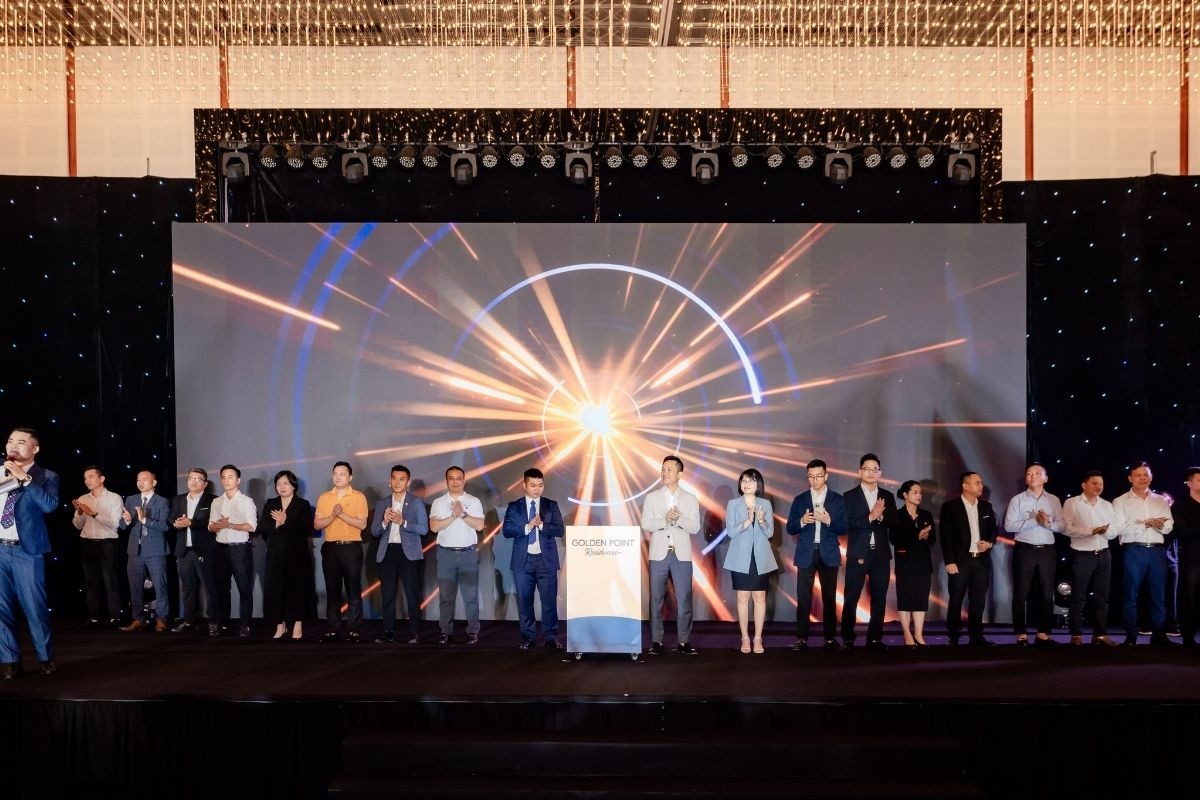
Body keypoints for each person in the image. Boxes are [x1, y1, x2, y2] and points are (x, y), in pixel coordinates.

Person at [0, 428, 59, 678]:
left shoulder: (46, 476)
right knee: (1, 610)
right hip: (0, 549)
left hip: (27, 551)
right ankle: (10, 662)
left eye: (21, 442)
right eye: (10, 441)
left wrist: (24, 478)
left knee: (35, 608)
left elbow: (49, 505)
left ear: (35, 448)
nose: (13, 446)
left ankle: (45, 658)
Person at [641, 455, 702, 655]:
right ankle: (656, 641)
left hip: (681, 555)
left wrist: (678, 519)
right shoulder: (652, 497)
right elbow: (646, 524)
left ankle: (684, 641)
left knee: (684, 599)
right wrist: (665, 519)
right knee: (656, 599)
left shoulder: (690, 498)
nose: (664, 473)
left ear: (679, 474)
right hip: (658, 553)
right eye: (663, 469)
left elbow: (695, 527)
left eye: (669, 469)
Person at [502, 467, 566, 649]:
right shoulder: (515, 506)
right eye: (533, 485)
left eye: (540, 485)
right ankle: (527, 637)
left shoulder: (551, 505)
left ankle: (550, 637)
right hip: (523, 561)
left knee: (549, 601)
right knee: (525, 602)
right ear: (524, 485)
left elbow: (559, 530)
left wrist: (542, 524)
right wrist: (527, 527)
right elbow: (507, 530)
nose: (537, 489)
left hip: (546, 561)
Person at [1113, 461, 1176, 646]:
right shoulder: (1120, 501)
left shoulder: (1160, 500)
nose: (1142, 478)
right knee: (1130, 593)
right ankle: (1131, 636)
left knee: (1159, 594)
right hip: (1134, 549)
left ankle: (1159, 635)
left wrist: (1158, 525)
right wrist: (1146, 524)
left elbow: (1169, 525)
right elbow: (1119, 529)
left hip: (1157, 551)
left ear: (1151, 477)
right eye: (1138, 475)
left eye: (1145, 475)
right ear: (1130, 478)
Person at [786, 458, 846, 651]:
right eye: (811, 477)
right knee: (804, 598)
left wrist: (829, 521)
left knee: (829, 599)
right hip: (806, 552)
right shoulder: (800, 499)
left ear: (826, 476)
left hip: (829, 552)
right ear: (807, 477)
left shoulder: (837, 500)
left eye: (819, 476)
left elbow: (844, 527)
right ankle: (801, 638)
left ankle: (829, 638)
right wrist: (802, 521)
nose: (815, 480)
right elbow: (790, 528)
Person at [1003, 463, 1065, 646]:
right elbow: (1008, 526)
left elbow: (1062, 525)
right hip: (1025, 549)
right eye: (1029, 473)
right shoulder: (1017, 500)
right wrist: (1033, 520)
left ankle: (1043, 634)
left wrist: (1048, 524)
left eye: (1037, 473)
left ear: (1046, 478)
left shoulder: (1053, 500)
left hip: (1047, 550)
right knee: (1021, 592)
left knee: (1046, 593)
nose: (1032, 476)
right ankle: (1021, 634)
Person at [841, 453, 898, 650]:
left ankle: (874, 638)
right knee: (851, 597)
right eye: (867, 469)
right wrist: (870, 516)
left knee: (879, 598)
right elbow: (846, 524)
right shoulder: (849, 496)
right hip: (858, 552)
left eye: (875, 469)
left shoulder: (887, 496)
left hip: (880, 555)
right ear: (860, 471)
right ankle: (847, 638)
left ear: (880, 473)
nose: (871, 472)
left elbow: (894, 521)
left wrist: (881, 517)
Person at [370, 464, 429, 644]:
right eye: (394, 478)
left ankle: (415, 632)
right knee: (387, 595)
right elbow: (374, 532)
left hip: (408, 554)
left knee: (412, 594)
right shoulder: (382, 503)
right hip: (387, 552)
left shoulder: (416, 502)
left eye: (401, 479)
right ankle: (388, 632)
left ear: (408, 482)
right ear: (390, 481)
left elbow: (424, 529)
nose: (397, 482)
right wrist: (384, 522)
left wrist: (403, 522)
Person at [722, 468, 777, 654]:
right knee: (742, 597)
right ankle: (745, 637)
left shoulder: (765, 504)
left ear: (758, 484)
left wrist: (761, 521)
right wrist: (747, 521)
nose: (746, 484)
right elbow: (731, 531)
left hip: (760, 556)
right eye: (743, 480)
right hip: (740, 557)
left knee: (760, 597)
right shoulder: (733, 504)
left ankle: (758, 637)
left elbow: (770, 533)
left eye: (751, 481)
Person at [939, 471, 998, 646]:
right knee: (956, 599)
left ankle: (976, 636)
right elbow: (946, 536)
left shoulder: (986, 507)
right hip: (960, 561)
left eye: (981, 483)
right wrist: (950, 561)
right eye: (977, 482)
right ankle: (954, 636)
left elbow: (993, 530)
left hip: (981, 561)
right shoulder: (950, 507)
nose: (981, 486)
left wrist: (989, 543)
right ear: (965, 485)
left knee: (978, 600)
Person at [1061, 470, 1119, 646]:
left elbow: (1114, 531)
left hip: (1103, 554)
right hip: (1082, 554)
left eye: (1101, 484)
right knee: (1078, 596)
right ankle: (1076, 634)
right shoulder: (1072, 503)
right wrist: (1091, 531)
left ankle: (1100, 634)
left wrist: (1105, 531)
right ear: (1084, 485)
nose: (1098, 487)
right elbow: (1066, 528)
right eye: (1094, 483)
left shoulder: (1107, 505)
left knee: (1103, 597)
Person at [429, 465, 485, 645]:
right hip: (446, 555)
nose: (455, 482)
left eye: (458, 478)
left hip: (468, 554)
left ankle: (473, 632)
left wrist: (463, 514)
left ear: (464, 480)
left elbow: (479, 525)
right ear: (446, 481)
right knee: (446, 597)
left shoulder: (474, 501)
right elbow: (434, 527)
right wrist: (453, 516)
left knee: (471, 597)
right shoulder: (439, 502)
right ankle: (445, 631)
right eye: (451, 478)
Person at [259, 469, 317, 641]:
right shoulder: (271, 503)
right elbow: (262, 527)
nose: (282, 487)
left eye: (285, 483)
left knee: (297, 589)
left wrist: (286, 522)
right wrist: (277, 525)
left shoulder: (302, 504)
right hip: (275, 554)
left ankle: (298, 624)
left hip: (297, 554)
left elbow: (307, 529)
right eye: (278, 484)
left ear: (293, 485)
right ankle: (280, 625)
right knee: (276, 589)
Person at [315, 461, 369, 643]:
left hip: (351, 547)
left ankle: (354, 629)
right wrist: (332, 515)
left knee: (353, 588)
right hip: (330, 547)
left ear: (350, 477)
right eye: (335, 474)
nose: (337, 477)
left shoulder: (358, 497)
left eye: (342, 474)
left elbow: (362, 524)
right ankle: (333, 628)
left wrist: (341, 514)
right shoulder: (324, 497)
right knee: (332, 589)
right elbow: (317, 524)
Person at [71, 465, 124, 629]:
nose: (87, 480)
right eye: (85, 478)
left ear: (102, 479)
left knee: (110, 581)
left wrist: (93, 513)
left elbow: (115, 524)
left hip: (107, 543)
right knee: (91, 582)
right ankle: (93, 618)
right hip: (87, 543)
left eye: (91, 477)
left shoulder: (114, 498)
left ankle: (115, 618)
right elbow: (77, 525)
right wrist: (81, 512)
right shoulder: (83, 498)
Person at [118, 470, 171, 632]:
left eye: (144, 480)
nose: (140, 483)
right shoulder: (131, 499)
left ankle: (161, 619)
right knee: (134, 586)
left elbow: (165, 526)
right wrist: (127, 520)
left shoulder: (162, 501)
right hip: (135, 550)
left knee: (160, 585)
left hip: (156, 550)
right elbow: (122, 525)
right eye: (138, 480)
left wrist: (144, 520)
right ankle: (138, 619)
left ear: (154, 483)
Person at [208, 464, 258, 637]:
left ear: (238, 480)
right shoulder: (217, 501)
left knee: (244, 588)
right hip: (220, 548)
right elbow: (210, 526)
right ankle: (222, 623)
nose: (226, 480)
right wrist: (217, 526)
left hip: (240, 549)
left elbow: (251, 526)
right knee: (222, 589)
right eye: (223, 477)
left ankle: (245, 624)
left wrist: (229, 525)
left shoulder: (246, 501)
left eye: (230, 477)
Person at [170, 468, 218, 635]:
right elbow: (171, 519)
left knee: (210, 588)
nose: (194, 481)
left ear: (205, 483)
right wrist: (175, 523)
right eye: (191, 478)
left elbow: (211, 522)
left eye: (198, 479)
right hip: (184, 551)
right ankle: (189, 621)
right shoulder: (178, 499)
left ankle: (213, 622)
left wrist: (191, 522)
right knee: (188, 589)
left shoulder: (213, 500)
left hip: (204, 551)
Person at [892, 480, 936, 647]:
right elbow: (894, 539)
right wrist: (916, 536)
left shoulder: (926, 515)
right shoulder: (897, 515)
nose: (919, 495)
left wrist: (926, 536)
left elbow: (933, 539)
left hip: (923, 562)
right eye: (915, 492)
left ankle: (918, 633)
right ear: (905, 494)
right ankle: (906, 633)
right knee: (905, 598)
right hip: (905, 563)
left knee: (921, 598)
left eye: (920, 492)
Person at [1174, 467, 1200, 647]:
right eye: (1199, 479)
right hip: (1191, 558)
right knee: (1189, 596)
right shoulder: (1181, 506)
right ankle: (1188, 636)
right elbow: (1181, 532)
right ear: (1189, 483)